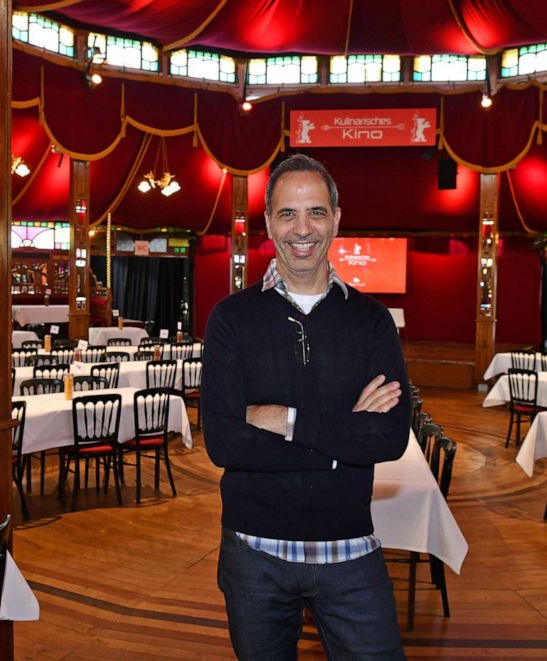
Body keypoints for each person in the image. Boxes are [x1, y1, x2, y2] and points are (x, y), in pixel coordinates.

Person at [202, 154, 411, 659]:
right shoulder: (231, 319)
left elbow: (390, 437)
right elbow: (224, 441)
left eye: (316, 212)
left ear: (336, 219)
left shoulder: (372, 320)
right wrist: (345, 440)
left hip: (351, 552)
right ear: (269, 222)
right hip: (253, 552)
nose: (303, 229)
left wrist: (283, 420)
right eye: (288, 214)